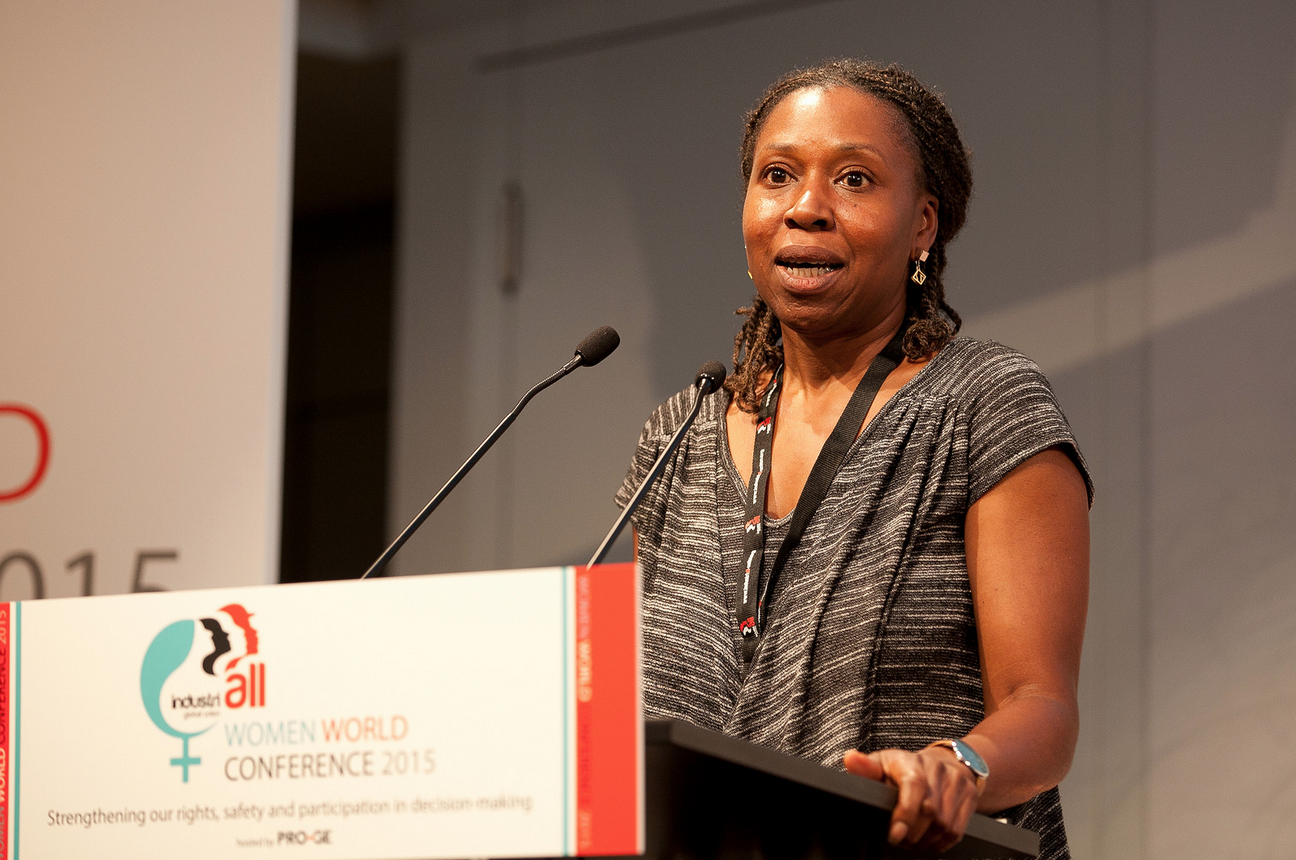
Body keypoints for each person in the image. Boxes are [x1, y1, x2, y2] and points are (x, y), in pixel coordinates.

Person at [616, 59, 1091, 859]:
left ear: (923, 225)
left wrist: (958, 766)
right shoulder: (676, 437)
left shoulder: (982, 404)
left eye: (855, 179)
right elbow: (624, 718)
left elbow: (1042, 705)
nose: (806, 207)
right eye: (777, 176)